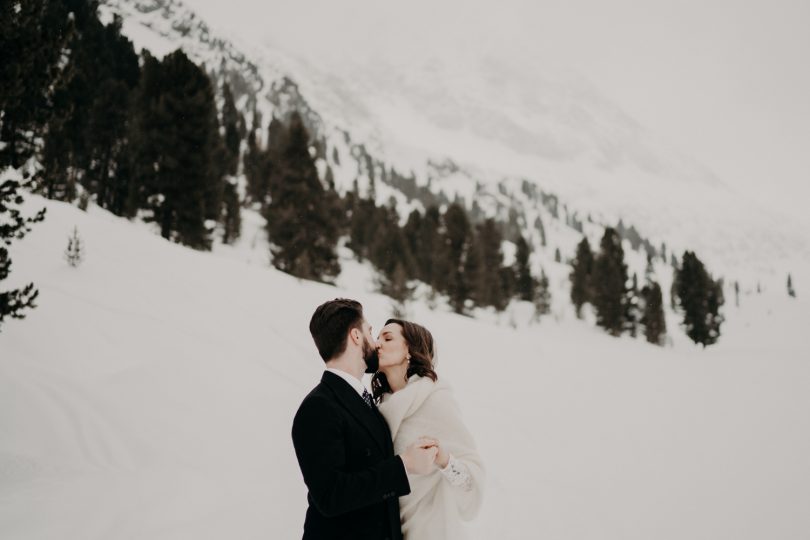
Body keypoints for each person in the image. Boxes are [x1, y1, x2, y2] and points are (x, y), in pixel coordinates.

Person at [292, 299, 439, 540]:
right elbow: (331, 496)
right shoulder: (318, 407)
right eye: (370, 332)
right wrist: (404, 465)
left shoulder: (365, 400)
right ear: (356, 336)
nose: (376, 342)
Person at [374, 318, 485, 540]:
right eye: (377, 338)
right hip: (389, 529)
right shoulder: (378, 409)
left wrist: (445, 460)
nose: (377, 344)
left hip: (431, 530)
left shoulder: (434, 399)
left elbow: (473, 477)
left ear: (410, 350)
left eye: (387, 338)